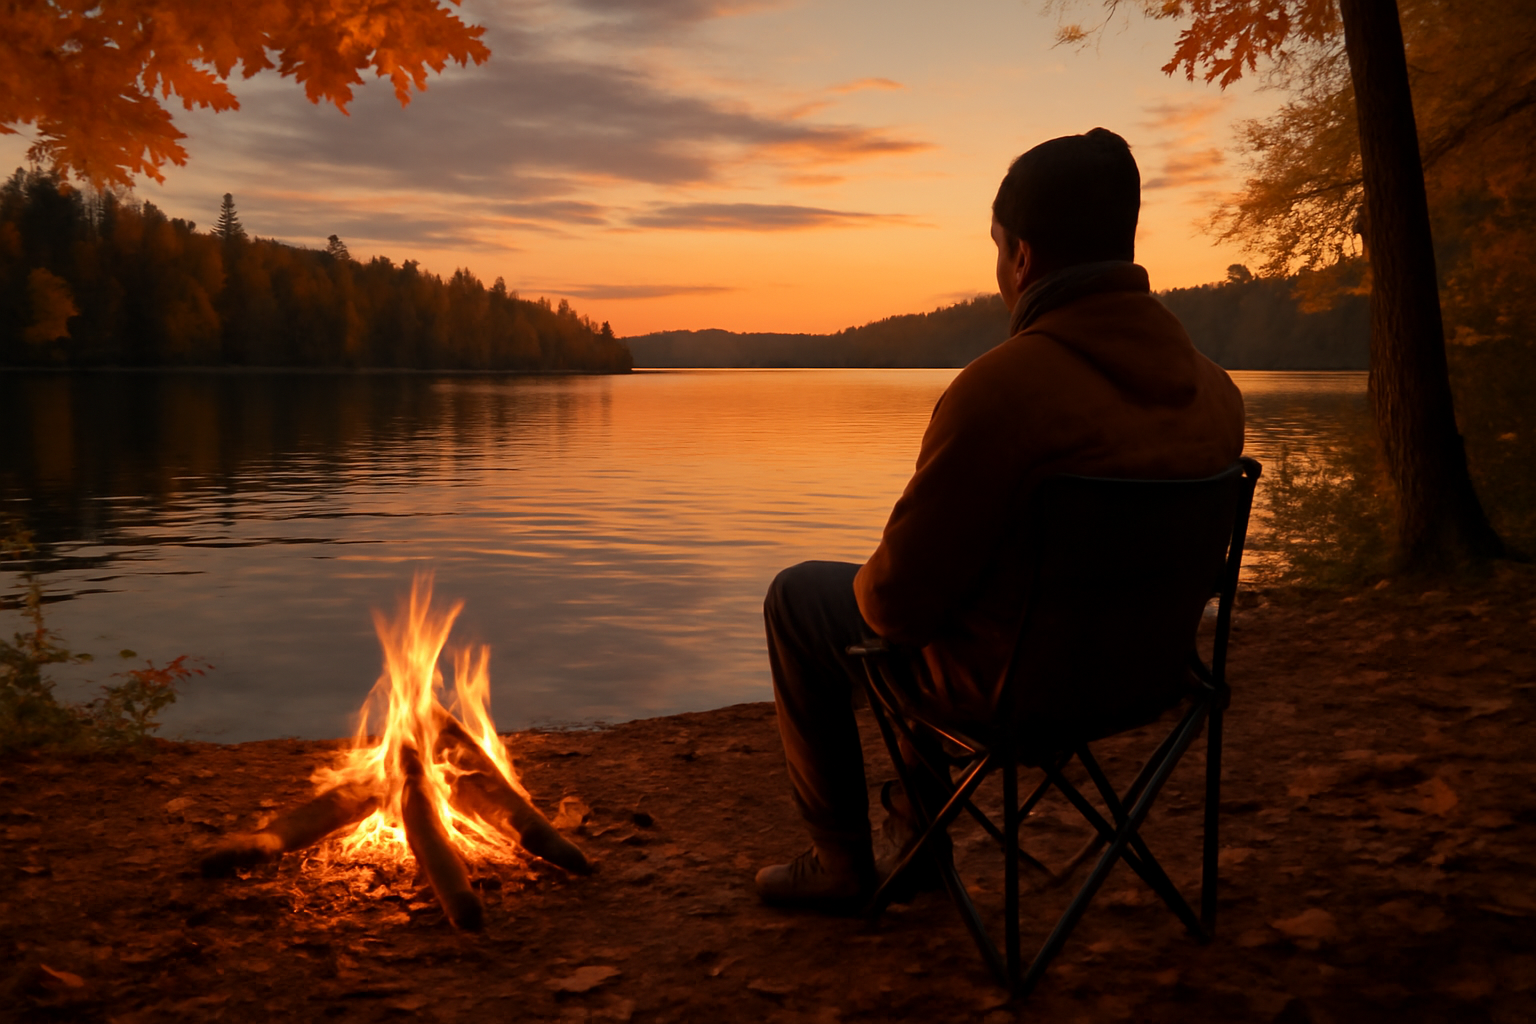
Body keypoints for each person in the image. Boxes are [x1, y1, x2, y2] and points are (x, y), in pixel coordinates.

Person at [754, 128, 1246, 906]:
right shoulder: (1216, 390)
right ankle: (916, 841)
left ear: (1021, 256)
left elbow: (892, 604)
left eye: (997, 251)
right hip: (1149, 678)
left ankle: (842, 863)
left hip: (1010, 693)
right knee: (957, 598)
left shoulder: (1004, 391)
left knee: (802, 597)